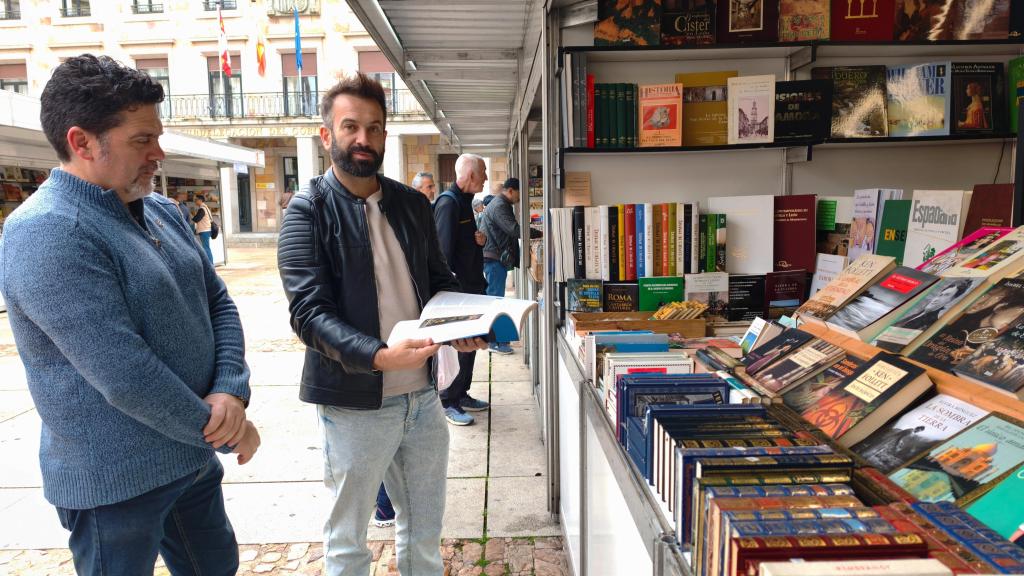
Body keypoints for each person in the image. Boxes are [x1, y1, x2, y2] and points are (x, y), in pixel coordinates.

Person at [0, 54, 259, 575]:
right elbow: (124, 374)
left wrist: (231, 390)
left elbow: (217, 302)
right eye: (142, 140)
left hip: (191, 456)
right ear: (82, 142)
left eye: (157, 137)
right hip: (115, 484)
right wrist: (226, 430)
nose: (158, 153)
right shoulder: (47, 232)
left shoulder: (160, 210)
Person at [277, 73, 486, 576]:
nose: (363, 138)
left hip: (422, 397)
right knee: (348, 541)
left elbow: (439, 282)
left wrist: (460, 326)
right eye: (350, 126)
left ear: (385, 135)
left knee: (424, 532)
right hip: (353, 403)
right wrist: (377, 356)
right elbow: (308, 314)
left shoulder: (412, 205)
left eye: (374, 128)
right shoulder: (307, 211)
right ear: (326, 135)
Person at [433, 154, 491, 426]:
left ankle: (462, 393)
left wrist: (479, 241)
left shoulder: (466, 202)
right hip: (459, 293)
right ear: (470, 174)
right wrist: (449, 294)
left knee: (471, 347)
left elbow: (463, 244)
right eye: (483, 172)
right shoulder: (449, 203)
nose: (486, 178)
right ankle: (448, 401)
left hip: (472, 288)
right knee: (459, 347)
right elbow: (442, 253)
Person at [479, 177, 542, 355]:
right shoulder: (500, 205)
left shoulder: (501, 204)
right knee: (495, 302)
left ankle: (499, 340)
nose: (520, 198)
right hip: (494, 260)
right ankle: (495, 342)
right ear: (511, 190)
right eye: (519, 194)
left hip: (495, 258)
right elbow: (513, 229)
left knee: (497, 300)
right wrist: (539, 232)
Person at [192, 193, 214, 262]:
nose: (195, 201)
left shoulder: (202, 209)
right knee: (206, 247)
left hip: (204, 230)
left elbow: (196, 219)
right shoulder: (205, 207)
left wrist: (192, 216)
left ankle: (210, 264)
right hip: (206, 230)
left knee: (206, 248)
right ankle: (210, 263)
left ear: (200, 200)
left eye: (196, 200)